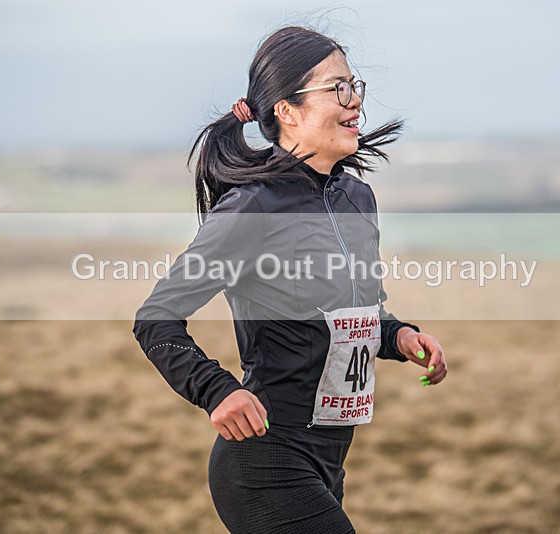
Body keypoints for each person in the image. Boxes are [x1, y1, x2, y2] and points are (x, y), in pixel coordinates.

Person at [133, 25, 447, 534]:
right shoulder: (253, 207)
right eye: (337, 89)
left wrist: (399, 336)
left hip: (328, 460)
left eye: (355, 86)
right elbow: (156, 319)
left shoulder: (357, 199)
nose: (355, 103)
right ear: (287, 110)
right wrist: (215, 390)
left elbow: (354, 312)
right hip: (264, 460)